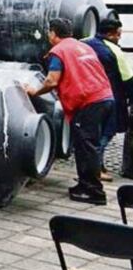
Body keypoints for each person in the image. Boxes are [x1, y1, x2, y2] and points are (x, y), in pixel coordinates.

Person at [25, 18, 114, 205]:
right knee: (91, 145)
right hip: (105, 98)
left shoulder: (59, 51)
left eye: (49, 32)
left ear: (53, 33)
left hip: (89, 102)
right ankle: (86, 183)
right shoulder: (83, 47)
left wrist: (34, 91)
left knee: (86, 146)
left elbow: (52, 81)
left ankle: (93, 191)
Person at [83, 17, 132, 181]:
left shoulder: (86, 44)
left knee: (93, 132)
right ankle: (95, 167)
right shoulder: (115, 51)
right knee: (107, 132)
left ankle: (96, 165)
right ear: (111, 34)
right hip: (111, 97)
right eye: (118, 34)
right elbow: (127, 79)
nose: (119, 37)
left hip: (88, 96)